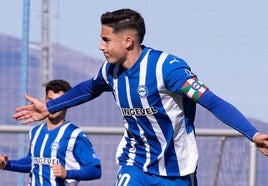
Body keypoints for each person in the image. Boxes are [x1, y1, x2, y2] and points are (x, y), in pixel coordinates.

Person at [12, 9, 268, 186]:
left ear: (127, 41)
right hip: (135, 165)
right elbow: (89, 88)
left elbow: (211, 101)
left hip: (177, 170)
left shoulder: (167, 69)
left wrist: (253, 134)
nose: (100, 46)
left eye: (105, 40)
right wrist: (50, 106)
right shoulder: (110, 70)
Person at [1, 79, 101, 185]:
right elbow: (33, 163)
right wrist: (6, 165)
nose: (54, 105)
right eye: (50, 100)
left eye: (58, 101)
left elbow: (95, 170)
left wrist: (67, 173)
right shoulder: (35, 132)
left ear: (69, 104)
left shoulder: (74, 134)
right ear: (44, 101)